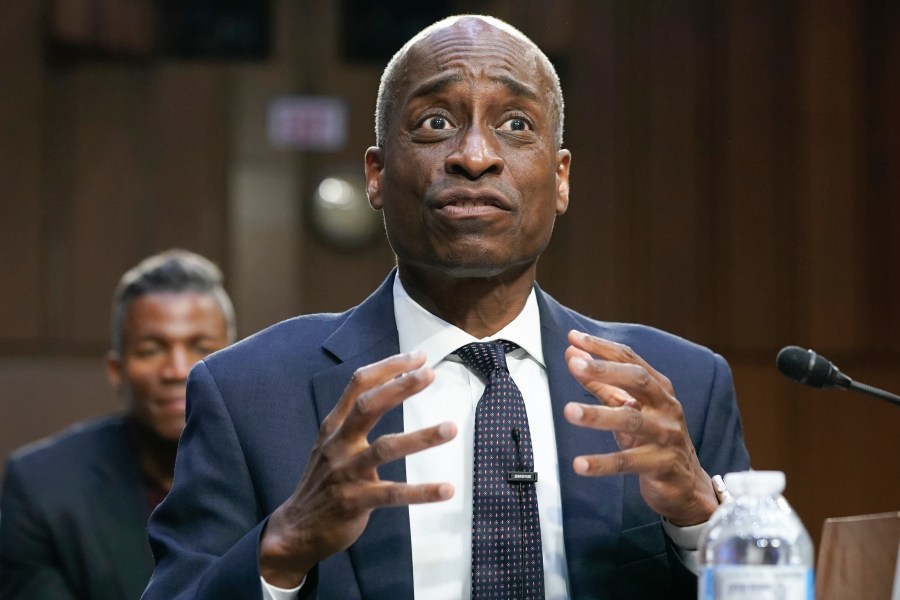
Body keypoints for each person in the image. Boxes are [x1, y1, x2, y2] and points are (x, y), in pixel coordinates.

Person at [142, 15, 750, 600]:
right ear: (376, 176)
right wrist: (281, 548)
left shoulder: (684, 388)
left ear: (560, 178)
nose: (476, 155)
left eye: (515, 125)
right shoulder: (248, 394)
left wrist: (700, 521)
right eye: (435, 123)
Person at [0, 249, 236, 600]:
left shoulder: (286, 474)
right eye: (151, 349)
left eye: (200, 347)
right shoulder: (42, 488)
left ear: (237, 363)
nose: (177, 371)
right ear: (116, 371)